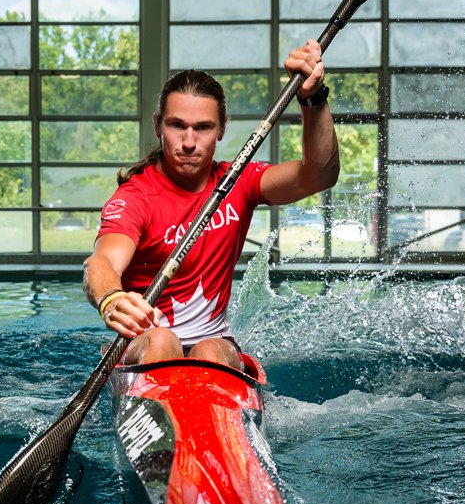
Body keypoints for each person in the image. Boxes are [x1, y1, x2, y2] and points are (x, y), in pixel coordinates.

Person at [83, 40, 340, 370]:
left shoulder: (238, 181)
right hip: (145, 344)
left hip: (213, 345)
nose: (189, 142)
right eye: (177, 126)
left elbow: (320, 174)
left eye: (202, 127)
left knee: (210, 351)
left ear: (221, 129)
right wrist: (111, 299)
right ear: (157, 125)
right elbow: (101, 262)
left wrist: (313, 98)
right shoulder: (136, 198)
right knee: (163, 340)